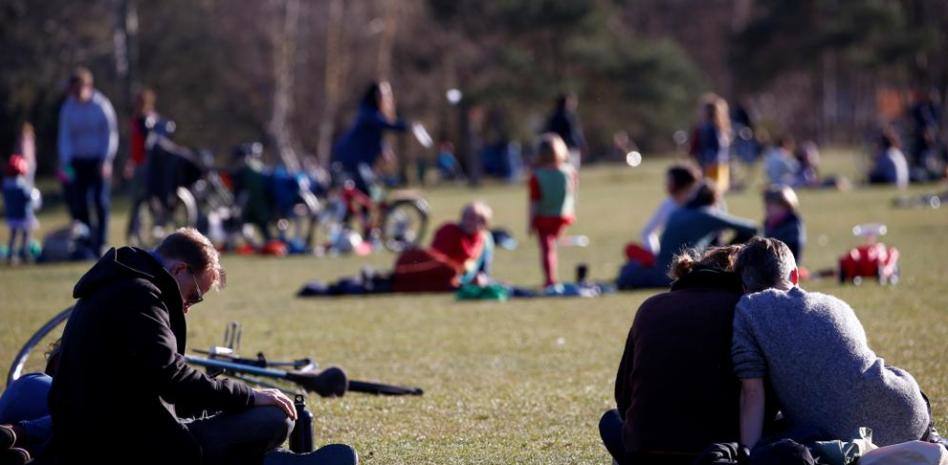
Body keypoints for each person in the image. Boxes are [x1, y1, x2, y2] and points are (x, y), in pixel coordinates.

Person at [47, 228, 355, 465]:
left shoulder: (121, 281)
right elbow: (173, 380)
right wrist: (249, 396)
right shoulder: (140, 296)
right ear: (180, 270)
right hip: (121, 446)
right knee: (276, 419)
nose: (188, 308)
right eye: (194, 296)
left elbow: (163, 384)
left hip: (107, 433)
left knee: (263, 417)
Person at [732, 237, 930, 449]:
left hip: (849, 439)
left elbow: (752, 392)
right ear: (795, 275)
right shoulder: (835, 304)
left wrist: (748, 452)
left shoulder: (748, 310)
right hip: (909, 415)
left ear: (744, 287)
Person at [601, 246, 746, 465]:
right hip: (715, 451)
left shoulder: (651, 306)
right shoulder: (742, 309)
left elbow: (624, 395)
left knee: (611, 421)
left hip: (644, 451)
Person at [617, 181, 757, 289]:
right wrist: (731, 246)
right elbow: (751, 228)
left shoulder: (678, 212)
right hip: (679, 273)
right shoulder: (707, 214)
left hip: (661, 268)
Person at [57, 67, 118, 255]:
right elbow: (65, 136)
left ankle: (101, 241)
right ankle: (85, 242)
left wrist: (106, 159)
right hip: (76, 163)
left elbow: (110, 134)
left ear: (88, 86)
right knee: (79, 202)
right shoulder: (68, 107)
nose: (76, 93)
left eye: (78, 89)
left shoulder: (101, 105)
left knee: (100, 202)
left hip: (98, 162)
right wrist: (66, 163)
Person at [332, 81, 409, 198]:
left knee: (371, 191)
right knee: (368, 190)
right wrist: (408, 126)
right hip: (350, 158)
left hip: (358, 160)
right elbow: (383, 124)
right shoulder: (368, 113)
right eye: (385, 95)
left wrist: (385, 149)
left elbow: (374, 137)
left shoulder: (373, 113)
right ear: (376, 96)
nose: (388, 99)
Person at [528, 134, 577, 287]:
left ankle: (550, 279)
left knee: (547, 249)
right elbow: (572, 192)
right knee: (553, 246)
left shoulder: (537, 176)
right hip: (562, 216)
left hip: (543, 218)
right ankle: (552, 277)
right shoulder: (569, 172)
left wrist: (530, 222)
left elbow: (534, 202)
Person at [639, 163, 701, 256]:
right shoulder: (667, 204)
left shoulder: (701, 205)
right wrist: (655, 254)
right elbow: (647, 231)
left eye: (670, 181)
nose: (666, 184)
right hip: (672, 259)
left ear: (681, 182)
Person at [690, 94, 732, 193]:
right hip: (721, 165)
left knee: (710, 193)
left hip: (711, 166)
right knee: (717, 195)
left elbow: (712, 148)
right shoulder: (722, 128)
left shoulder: (707, 128)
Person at [3, 155, 38, 264]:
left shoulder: (6, 186)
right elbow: (29, 197)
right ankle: (25, 253)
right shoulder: (21, 186)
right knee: (26, 235)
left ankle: (11, 255)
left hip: (12, 216)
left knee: (13, 236)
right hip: (24, 215)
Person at [762, 185, 804, 263]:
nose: (767, 208)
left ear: (785, 206)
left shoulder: (792, 223)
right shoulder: (769, 222)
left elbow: (794, 250)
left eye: (771, 204)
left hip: (785, 264)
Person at [544, 93, 586, 169]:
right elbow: (574, 133)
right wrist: (581, 144)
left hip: (557, 148)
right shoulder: (568, 116)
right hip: (569, 147)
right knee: (571, 170)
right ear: (566, 102)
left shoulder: (553, 116)